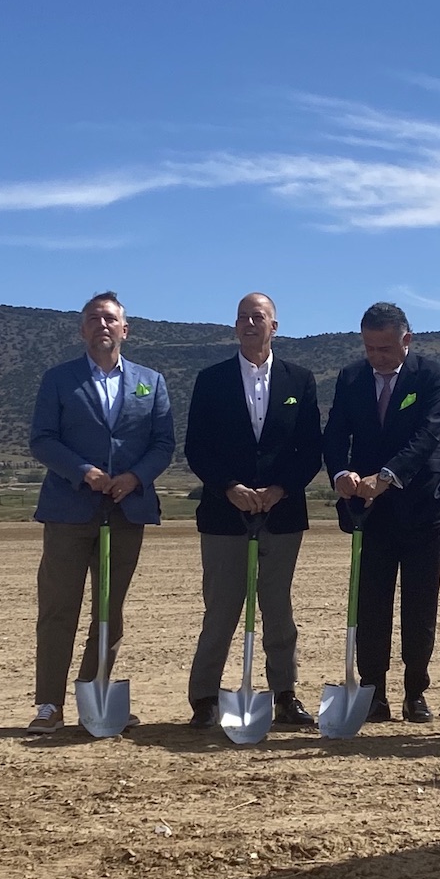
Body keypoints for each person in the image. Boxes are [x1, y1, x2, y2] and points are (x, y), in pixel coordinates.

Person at [26, 291, 176, 735]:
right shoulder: (59, 379)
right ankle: (49, 704)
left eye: (110, 319)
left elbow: (163, 444)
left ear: (125, 329)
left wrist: (134, 477)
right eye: (94, 319)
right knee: (59, 608)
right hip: (69, 510)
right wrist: (84, 471)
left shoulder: (152, 381)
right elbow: (43, 439)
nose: (103, 326)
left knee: (110, 611)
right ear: (83, 329)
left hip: (125, 510)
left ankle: (98, 695)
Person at [183, 291, 324, 729]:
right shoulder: (212, 379)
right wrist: (230, 487)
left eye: (258, 317)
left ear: (274, 326)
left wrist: (281, 488)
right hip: (225, 515)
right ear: (235, 325)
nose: (250, 323)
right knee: (222, 608)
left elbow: (310, 449)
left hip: (281, 515)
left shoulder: (299, 380)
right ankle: (205, 698)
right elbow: (197, 447)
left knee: (278, 608)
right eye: (243, 317)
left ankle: (284, 694)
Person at [322, 301, 440, 721]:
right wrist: (342, 473)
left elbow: (428, 433)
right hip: (367, 511)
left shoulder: (432, 375)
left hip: (422, 506)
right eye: (369, 348)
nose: (376, 357)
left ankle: (416, 689)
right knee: (371, 602)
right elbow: (336, 433)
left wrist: (388, 476)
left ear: (406, 340)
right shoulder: (350, 377)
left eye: (385, 348)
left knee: (420, 601)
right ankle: (373, 691)